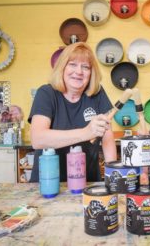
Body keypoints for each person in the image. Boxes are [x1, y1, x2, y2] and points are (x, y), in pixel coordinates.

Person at [28, 42, 117, 182]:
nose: (79, 71)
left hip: (88, 182)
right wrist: (85, 133)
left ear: (91, 73)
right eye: (72, 64)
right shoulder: (46, 93)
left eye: (85, 67)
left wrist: (114, 178)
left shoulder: (98, 94)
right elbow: (37, 139)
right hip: (49, 182)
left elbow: (108, 139)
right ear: (62, 67)